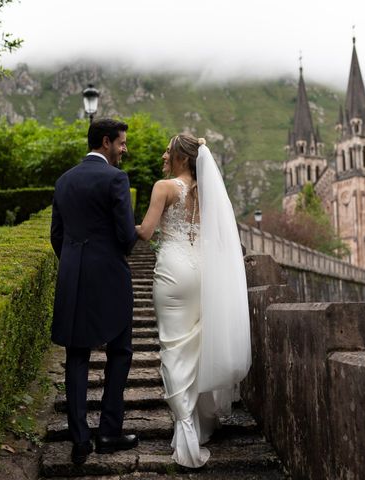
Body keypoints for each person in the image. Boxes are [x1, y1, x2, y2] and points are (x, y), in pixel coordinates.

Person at [136, 134, 251, 468]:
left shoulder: (164, 187)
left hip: (174, 270)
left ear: (183, 159)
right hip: (204, 274)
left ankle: (185, 431)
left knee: (173, 346)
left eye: (168, 150)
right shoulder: (208, 194)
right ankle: (199, 427)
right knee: (198, 346)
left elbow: (145, 231)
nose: (163, 154)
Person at [50, 118, 139, 465]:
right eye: (122, 143)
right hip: (111, 277)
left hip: (72, 275)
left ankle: (80, 440)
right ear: (106, 142)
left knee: (77, 354)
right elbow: (126, 238)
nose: (124, 149)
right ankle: (108, 432)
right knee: (120, 351)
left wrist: (74, 261)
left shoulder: (64, 180)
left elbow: (57, 235)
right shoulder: (116, 179)